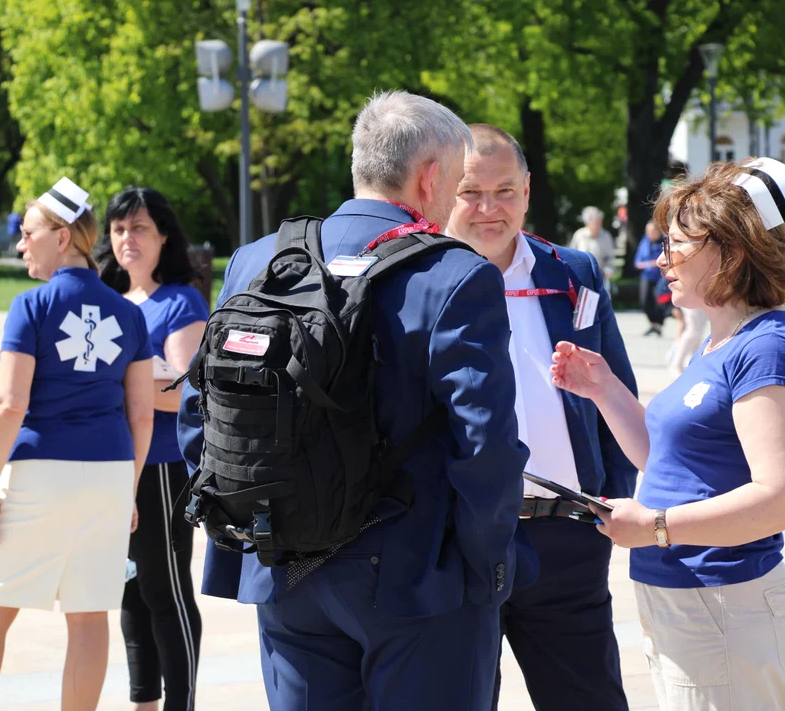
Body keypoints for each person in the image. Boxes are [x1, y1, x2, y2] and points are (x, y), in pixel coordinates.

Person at [177, 91, 527, 710]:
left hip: (283, 568)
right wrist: (485, 571)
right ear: (429, 175)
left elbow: (199, 415)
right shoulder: (456, 275)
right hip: (419, 581)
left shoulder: (257, 261)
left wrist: (266, 514)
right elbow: (487, 448)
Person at [551, 158, 785, 710]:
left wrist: (656, 528)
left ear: (730, 253)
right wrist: (604, 389)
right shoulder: (722, 341)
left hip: (725, 602)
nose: (662, 260)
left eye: (677, 245)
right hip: (696, 602)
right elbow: (666, 458)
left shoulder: (765, 347)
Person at [446, 125, 636, 710]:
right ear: (440, 191)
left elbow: (617, 390)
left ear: (527, 191)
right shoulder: (416, 279)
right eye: (470, 191)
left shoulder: (571, 271)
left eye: (505, 190)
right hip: (458, 540)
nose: (489, 208)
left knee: (590, 698)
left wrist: (608, 500)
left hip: (568, 536)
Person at [0, 178, 154, 711]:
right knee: (88, 620)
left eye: (28, 232)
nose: (20, 244)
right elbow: (141, 413)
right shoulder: (129, 314)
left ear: (62, 238)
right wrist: (127, 490)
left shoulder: (31, 306)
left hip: (41, 472)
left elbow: (10, 405)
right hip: (109, 473)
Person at [96, 188, 206, 711]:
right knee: (130, 591)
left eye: (139, 228)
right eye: (119, 229)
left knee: (166, 591)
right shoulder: (110, 300)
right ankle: (144, 701)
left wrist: (125, 382)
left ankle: (180, 705)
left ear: (164, 235)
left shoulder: (180, 301)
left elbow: (187, 393)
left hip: (162, 466)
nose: (127, 239)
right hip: (116, 462)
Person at [569, 206, 616, 294]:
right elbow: (571, 255)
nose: (598, 224)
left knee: (602, 303)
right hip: (582, 276)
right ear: (587, 222)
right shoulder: (579, 235)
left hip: (601, 276)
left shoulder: (606, 236)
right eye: (595, 221)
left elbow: (610, 257)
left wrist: (609, 269)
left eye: (599, 221)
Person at [634, 221, 665, 335]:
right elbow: (637, 262)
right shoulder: (644, 242)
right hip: (646, 275)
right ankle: (653, 324)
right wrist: (649, 264)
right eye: (648, 232)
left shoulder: (664, 242)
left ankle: (658, 324)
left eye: (652, 231)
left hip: (660, 277)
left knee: (659, 301)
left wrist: (653, 263)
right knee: (644, 301)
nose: (650, 234)